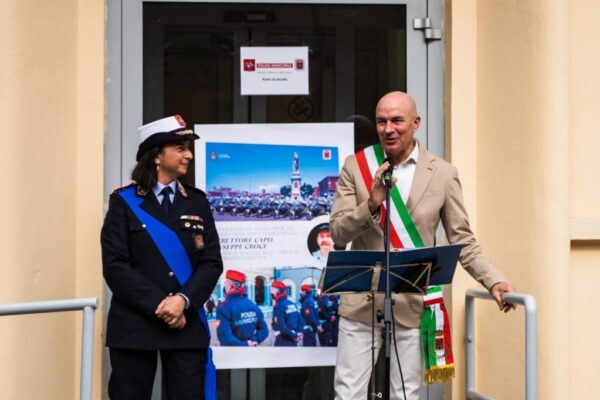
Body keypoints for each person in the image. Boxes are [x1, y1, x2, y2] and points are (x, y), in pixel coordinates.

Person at [329, 91, 516, 400]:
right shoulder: (356, 166)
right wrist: (372, 203)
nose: (388, 129)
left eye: (397, 121)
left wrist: (493, 280)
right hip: (362, 301)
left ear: (416, 123)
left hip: (413, 301)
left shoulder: (443, 173)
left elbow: (462, 239)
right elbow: (337, 233)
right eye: (381, 122)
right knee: (348, 394)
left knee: (405, 395)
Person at [101, 115, 223, 400]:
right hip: (135, 324)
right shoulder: (123, 202)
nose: (188, 155)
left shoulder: (197, 201)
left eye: (187, 148)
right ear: (157, 155)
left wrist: (182, 301)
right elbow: (115, 265)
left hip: (185, 323)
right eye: (180, 148)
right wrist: (162, 306)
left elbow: (211, 262)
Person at [216, 269, 269, 346]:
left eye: (225, 283)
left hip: (231, 352)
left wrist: (245, 345)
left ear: (230, 285)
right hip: (250, 351)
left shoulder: (224, 307)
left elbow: (225, 338)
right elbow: (264, 331)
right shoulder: (252, 305)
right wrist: (253, 341)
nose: (225, 285)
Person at [270, 281, 304, 346]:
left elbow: (282, 326)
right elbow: (301, 321)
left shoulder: (279, 305)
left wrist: (294, 336)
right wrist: (299, 333)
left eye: (272, 289)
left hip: (283, 340)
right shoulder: (292, 303)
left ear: (278, 291)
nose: (271, 292)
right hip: (293, 341)